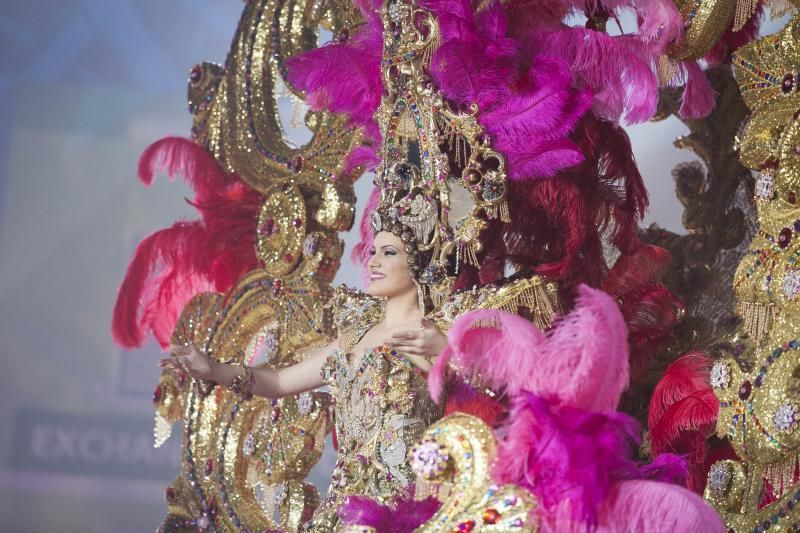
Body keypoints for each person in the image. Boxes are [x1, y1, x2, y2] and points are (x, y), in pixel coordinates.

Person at [160, 214, 448, 530]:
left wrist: (445, 348)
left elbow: (485, 391)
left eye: (389, 252)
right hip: (343, 509)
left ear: (417, 262)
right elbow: (281, 381)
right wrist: (213, 370)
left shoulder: (434, 334)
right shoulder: (354, 336)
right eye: (373, 252)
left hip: (404, 506)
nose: (374, 261)